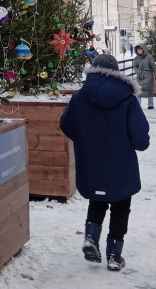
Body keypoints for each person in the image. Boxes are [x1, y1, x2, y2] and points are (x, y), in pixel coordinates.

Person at [60, 54, 150, 272]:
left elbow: (66, 124)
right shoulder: (127, 98)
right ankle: (114, 254)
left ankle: (91, 237)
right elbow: (139, 137)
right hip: (121, 163)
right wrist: (141, 143)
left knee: (97, 199)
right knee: (121, 205)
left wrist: (85, 139)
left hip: (92, 160)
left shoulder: (81, 96)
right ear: (116, 71)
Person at [132, 44, 156, 109]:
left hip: (148, 76)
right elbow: (134, 65)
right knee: (139, 90)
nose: (139, 51)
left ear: (143, 49)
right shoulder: (137, 58)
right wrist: (137, 71)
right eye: (137, 50)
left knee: (149, 90)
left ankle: (150, 104)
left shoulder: (149, 57)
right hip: (140, 76)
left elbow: (153, 67)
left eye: (140, 49)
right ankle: (138, 105)